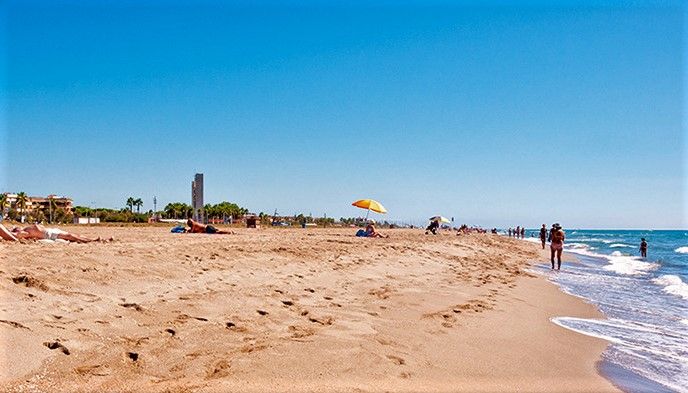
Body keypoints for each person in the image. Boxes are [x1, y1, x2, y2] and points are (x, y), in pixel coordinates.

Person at [0, 223, 102, 243]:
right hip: (49, 234)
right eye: (14, 228)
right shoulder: (22, 233)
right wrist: (12, 232)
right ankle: (93, 240)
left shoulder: (24, 229)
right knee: (72, 236)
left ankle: (92, 239)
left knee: (73, 235)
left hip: (52, 230)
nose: (15, 227)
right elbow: (13, 236)